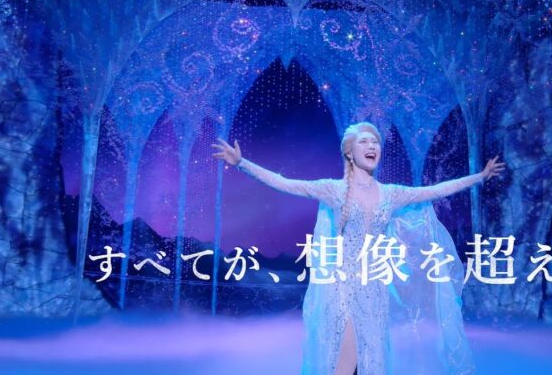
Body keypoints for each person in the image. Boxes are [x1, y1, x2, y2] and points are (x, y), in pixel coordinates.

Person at [212, 122, 505, 375]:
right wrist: (242, 163)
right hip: (342, 287)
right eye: (364, 141)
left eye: (375, 142)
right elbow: (285, 183)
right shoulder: (334, 189)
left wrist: (480, 177)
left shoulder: (391, 194)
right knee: (344, 360)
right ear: (350, 152)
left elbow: (435, 190)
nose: (372, 146)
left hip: (375, 286)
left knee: (373, 356)